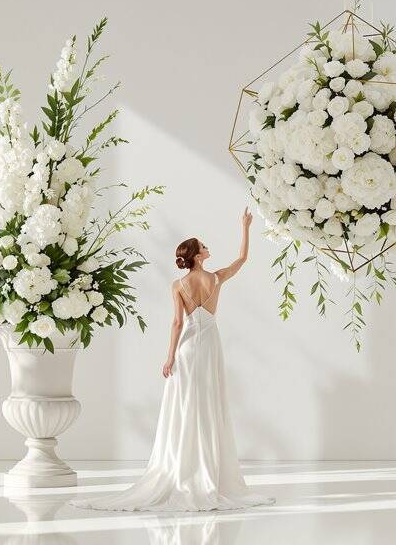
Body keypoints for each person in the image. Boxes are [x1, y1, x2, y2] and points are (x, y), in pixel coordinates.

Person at [71, 208, 274, 511]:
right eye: (203, 246)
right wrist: (245, 227)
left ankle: (183, 465)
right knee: (209, 402)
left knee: (184, 403)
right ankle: (209, 470)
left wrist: (169, 357)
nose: (207, 248)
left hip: (188, 348)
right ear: (197, 255)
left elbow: (177, 324)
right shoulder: (216, 279)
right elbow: (242, 259)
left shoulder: (178, 285)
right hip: (210, 345)